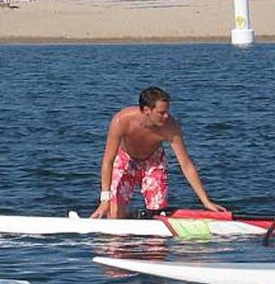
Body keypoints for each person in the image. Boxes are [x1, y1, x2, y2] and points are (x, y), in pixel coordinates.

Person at [92, 86, 226, 218]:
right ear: (146, 110)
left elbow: (186, 164)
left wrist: (205, 201)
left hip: (153, 161)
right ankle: (130, 218)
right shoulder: (121, 121)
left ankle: (148, 222)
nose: (166, 116)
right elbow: (108, 162)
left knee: (156, 212)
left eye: (167, 111)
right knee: (114, 215)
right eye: (161, 113)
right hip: (126, 160)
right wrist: (105, 200)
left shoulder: (170, 127)